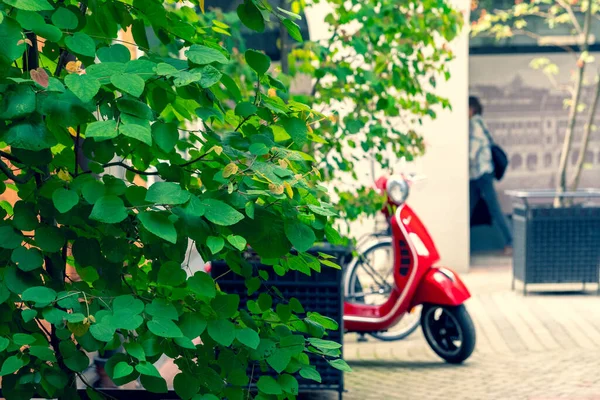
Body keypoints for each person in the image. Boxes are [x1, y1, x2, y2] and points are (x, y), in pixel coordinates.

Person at [469, 96, 513, 254]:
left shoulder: (474, 124)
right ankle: (460, 243)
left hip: (481, 173)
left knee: (493, 208)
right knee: (469, 208)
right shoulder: (480, 123)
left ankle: (511, 241)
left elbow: (472, 152)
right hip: (478, 174)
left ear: (471, 109)